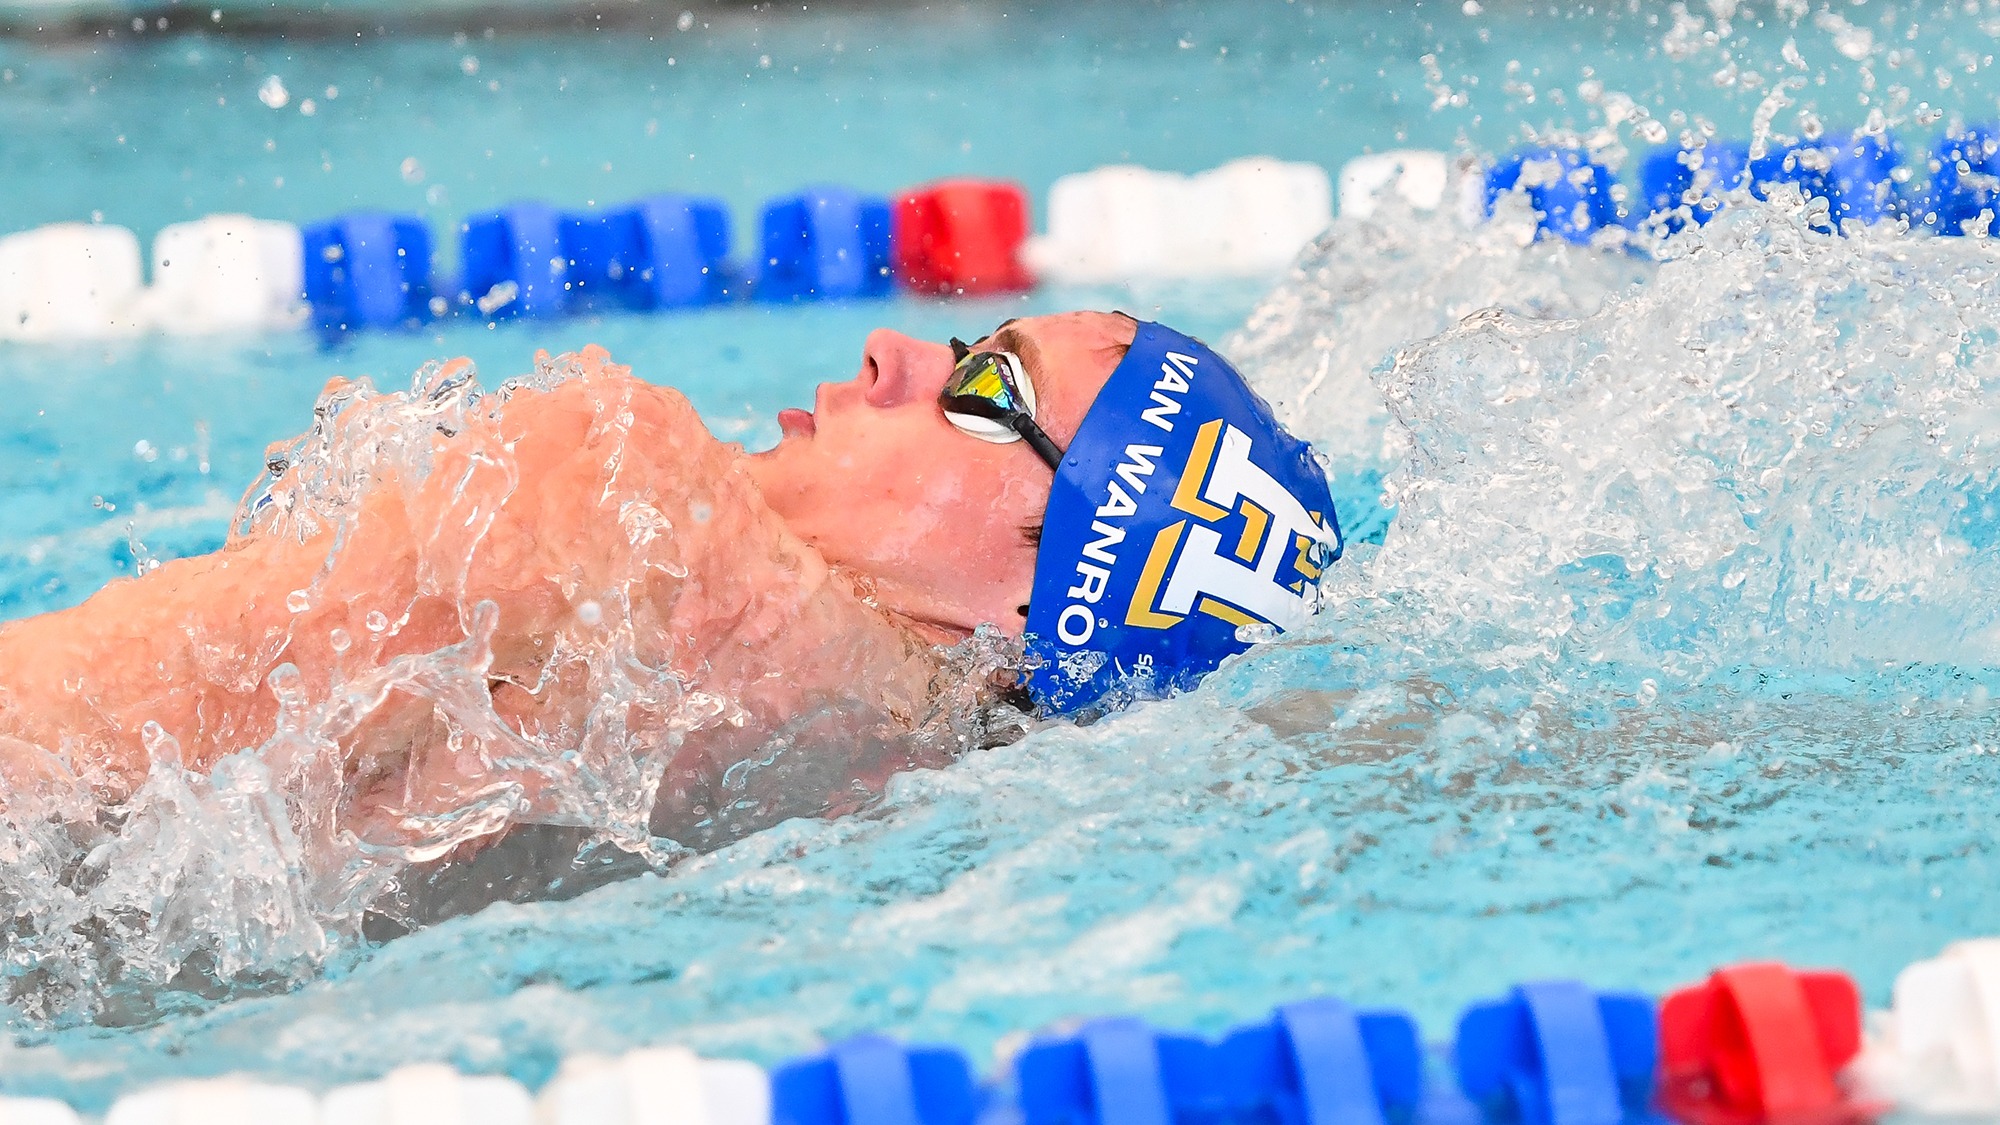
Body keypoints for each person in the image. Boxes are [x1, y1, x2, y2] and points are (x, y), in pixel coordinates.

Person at [0, 310, 1342, 872]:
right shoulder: (893, 797)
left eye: (986, 386)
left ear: (1032, 602)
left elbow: (79, 710)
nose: (890, 353)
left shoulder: (634, 502)